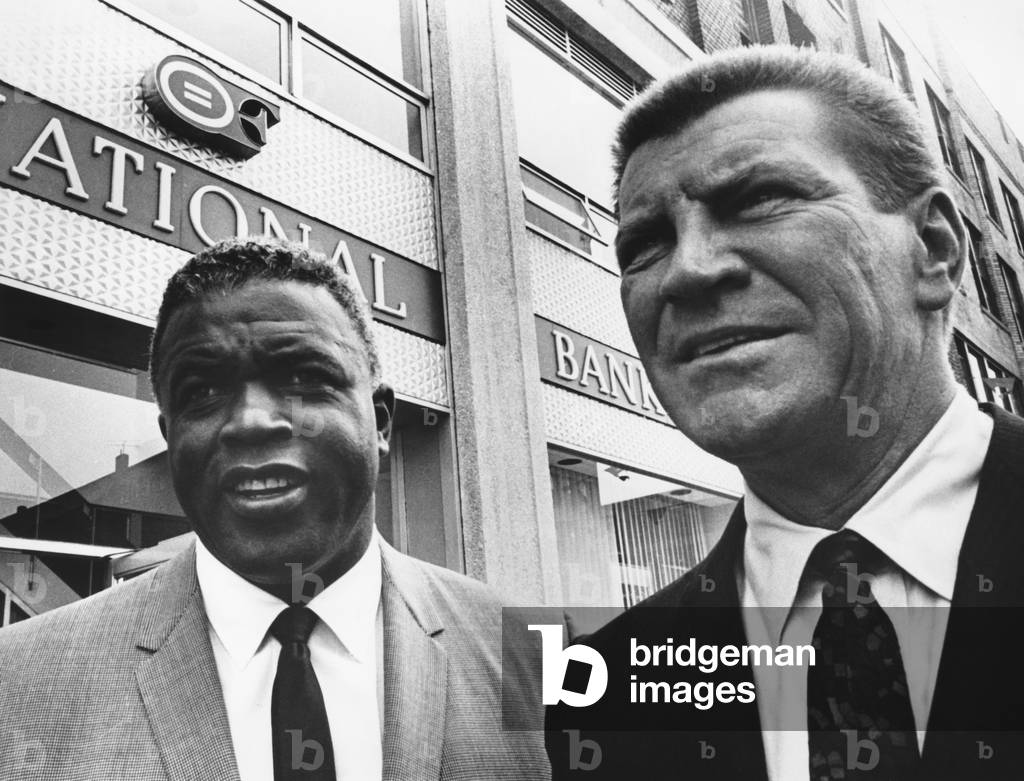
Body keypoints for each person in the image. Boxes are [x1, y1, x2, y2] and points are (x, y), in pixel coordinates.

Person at [546, 46, 1024, 780]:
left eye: (760, 200)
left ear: (934, 249)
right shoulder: (599, 699)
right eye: (645, 243)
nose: (689, 269)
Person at [0, 238, 549, 781]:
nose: (251, 421)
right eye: (202, 391)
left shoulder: (526, 652)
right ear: (171, 439)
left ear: (380, 422)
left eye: (303, 378)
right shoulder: (19, 683)